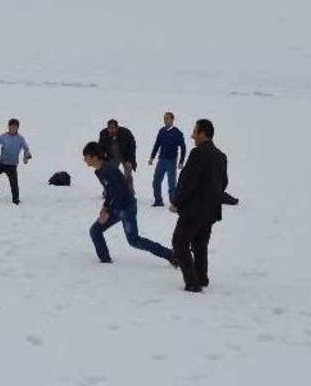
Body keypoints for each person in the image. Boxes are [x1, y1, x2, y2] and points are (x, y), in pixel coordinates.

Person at [82, 142, 176, 265]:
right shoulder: (99, 171)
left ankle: (170, 254)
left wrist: (108, 211)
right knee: (95, 231)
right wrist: (105, 206)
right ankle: (105, 262)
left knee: (134, 240)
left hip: (127, 208)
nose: (84, 160)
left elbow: (119, 194)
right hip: (115, 207)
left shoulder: (109, 170)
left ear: (94, 157)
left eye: (86, 157)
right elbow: (110, 191)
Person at [170, 119, 228, 292]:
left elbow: (188, 181)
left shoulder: (197, 153)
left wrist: (176, 202)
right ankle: (201, 277)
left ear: (203, 133)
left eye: (195, 131)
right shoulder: (221, 156)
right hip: (210, 210)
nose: (192, 135)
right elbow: (223, 183)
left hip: (194, 210)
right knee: (199, 244)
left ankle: (193, 283)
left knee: (179, 243)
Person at [0, 118, 32, 205]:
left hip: (12, 165)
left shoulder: (20, 138)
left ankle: (16, 200)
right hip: (1, 162)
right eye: (11, 126)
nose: (12, 128)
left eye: (14, 127)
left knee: (14, 184)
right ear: (8, 127)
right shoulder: (3, 136)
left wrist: (26, 156)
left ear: (17, 128)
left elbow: (26, 149)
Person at [148, 111, 187, 207]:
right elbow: (157, 145)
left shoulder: (177, 133)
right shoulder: (161, 131)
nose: (166, 120)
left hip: (172, 161)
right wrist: (152, 157)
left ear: (172, 120)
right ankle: (158, 200)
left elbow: (183, 148)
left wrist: (181, 161)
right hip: (161, 160)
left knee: (172, 183)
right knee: (156, 181)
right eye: (164, 118)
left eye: (168, 118)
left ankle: (174, 202)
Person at [98, 119, 137, 192]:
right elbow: (101, 148)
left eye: (113, 128)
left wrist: (129, 160)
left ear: (117, 127)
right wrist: (101, 160)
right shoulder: (103, 134)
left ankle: (130, 192)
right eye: (109, 128)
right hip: (112, 157)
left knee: (128, 174)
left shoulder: (126, 133)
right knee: (109, 175)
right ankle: (108, 192)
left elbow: (132, 146)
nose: (111, 130)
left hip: (125, 156)